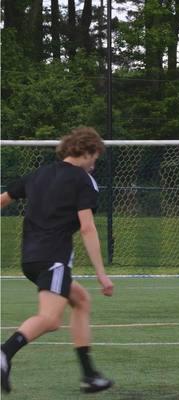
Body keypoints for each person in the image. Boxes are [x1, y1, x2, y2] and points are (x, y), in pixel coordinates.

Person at [0, 127, 114, 394]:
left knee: (81, 300)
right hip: (54, 260)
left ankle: (89, 375)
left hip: (30, 259)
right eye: (94, 158)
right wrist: (102, 273)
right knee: (50, 319)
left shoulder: (39, 174)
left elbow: (4, 199)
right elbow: (87, 228)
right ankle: (4, 353)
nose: (94, 166)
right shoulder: (82, 180)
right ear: (86, 152)